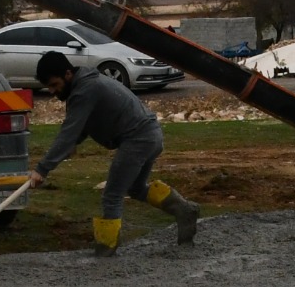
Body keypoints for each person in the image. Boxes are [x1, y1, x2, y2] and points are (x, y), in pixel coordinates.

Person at [25, 49, 201, 255]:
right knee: (135, 188)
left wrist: (42, 170)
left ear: (68, 74)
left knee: (112, 195)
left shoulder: (84, 90)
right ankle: (184, 209)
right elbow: (83, 126)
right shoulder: (86, 84)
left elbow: (68, 132)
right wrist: (74, 143)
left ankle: (106, 248)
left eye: (54, 85)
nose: (53, 92)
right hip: (150, 134)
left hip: (138, 138)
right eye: (48, 87)